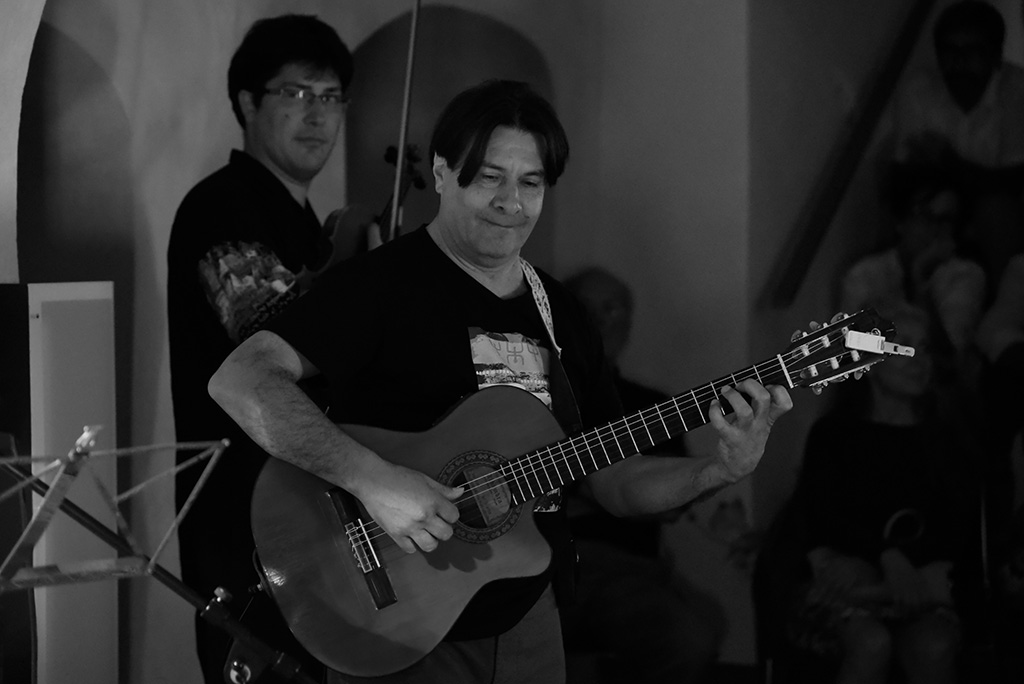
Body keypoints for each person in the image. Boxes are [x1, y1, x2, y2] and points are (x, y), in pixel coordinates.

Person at [207, 79, 793, 684]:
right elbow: (241, 380)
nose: (511, 202)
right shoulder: (378, 286)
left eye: (530, 182)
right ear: (441, 172)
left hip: (526, 621)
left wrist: (718, 470)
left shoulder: (562, 316)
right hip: (394, 622)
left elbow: (614, 481)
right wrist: (372, 479)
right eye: (490, 177)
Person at [166, 14, 353, 683]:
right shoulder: (221, 206)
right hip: (245, 524)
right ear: (247, 102)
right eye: (295, 93)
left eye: (330, 97)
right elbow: (272, 333)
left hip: (309, 514)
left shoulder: (310, 226)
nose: (317, 115)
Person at [786, 302, 971, 684]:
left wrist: (901, 568)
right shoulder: (833, 434)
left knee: (933, 646)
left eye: (925, 348)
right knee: (870, 642)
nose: (919, 361)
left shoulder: (946, 439)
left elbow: (956, 525)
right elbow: (820, 516)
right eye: (903, 347)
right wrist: (884, 557)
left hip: (923, 584)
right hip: (848, 582)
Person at [559, 266, 724, 684]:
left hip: (627, 571)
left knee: (695, 633)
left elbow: (673, 503)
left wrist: (588, 493)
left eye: (612, 308)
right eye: (587, 307)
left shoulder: (653, 407)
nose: (600, 320)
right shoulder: (531, 396)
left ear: (628, 324)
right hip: (542, 565)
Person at [892, 0, 1024, 283]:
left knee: (996, 210)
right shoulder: (919, 89)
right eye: (949, 51)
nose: (959, 61)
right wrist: (974, 179)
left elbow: (1013, 183)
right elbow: (906, 176)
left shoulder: (1017, 91)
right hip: (941, 204)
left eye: (973, 51)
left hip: (1001, 212)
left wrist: (948, 162)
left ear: (996, 56)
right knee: (918, 214)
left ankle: (1001, 298)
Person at [840, 164, 985, 362]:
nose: (935, 229)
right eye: (925, 215)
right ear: (901, 220)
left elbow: (948, 357)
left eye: (945, 220)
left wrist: (921, 282)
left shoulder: (966, 275)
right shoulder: (865, 275)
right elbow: (851, 350)